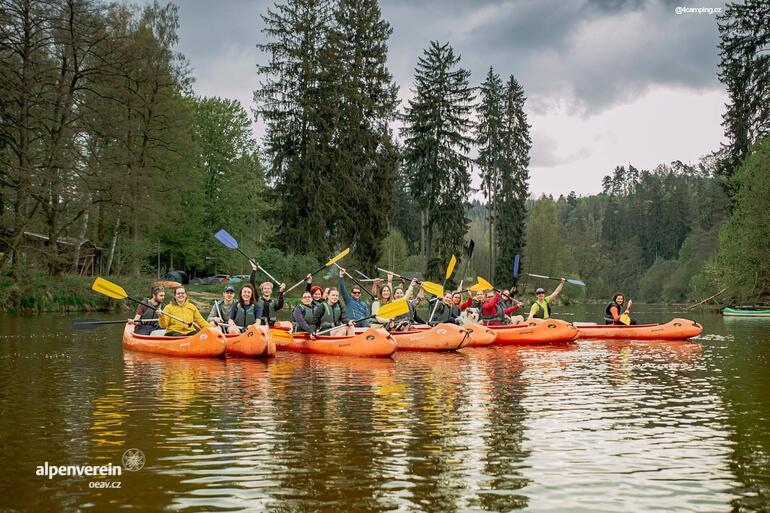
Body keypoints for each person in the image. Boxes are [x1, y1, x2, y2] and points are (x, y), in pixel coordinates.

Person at [249, 260, 286, 326]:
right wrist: (254, 269)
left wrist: (281, 292)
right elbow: (252, 284)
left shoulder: (274, 303)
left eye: (268, 288)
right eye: (265, 288)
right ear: (262, 291)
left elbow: (280, 304)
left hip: (271, 327)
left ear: (271, 291)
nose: (267, 290)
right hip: (260, 326)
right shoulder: (257, 299)